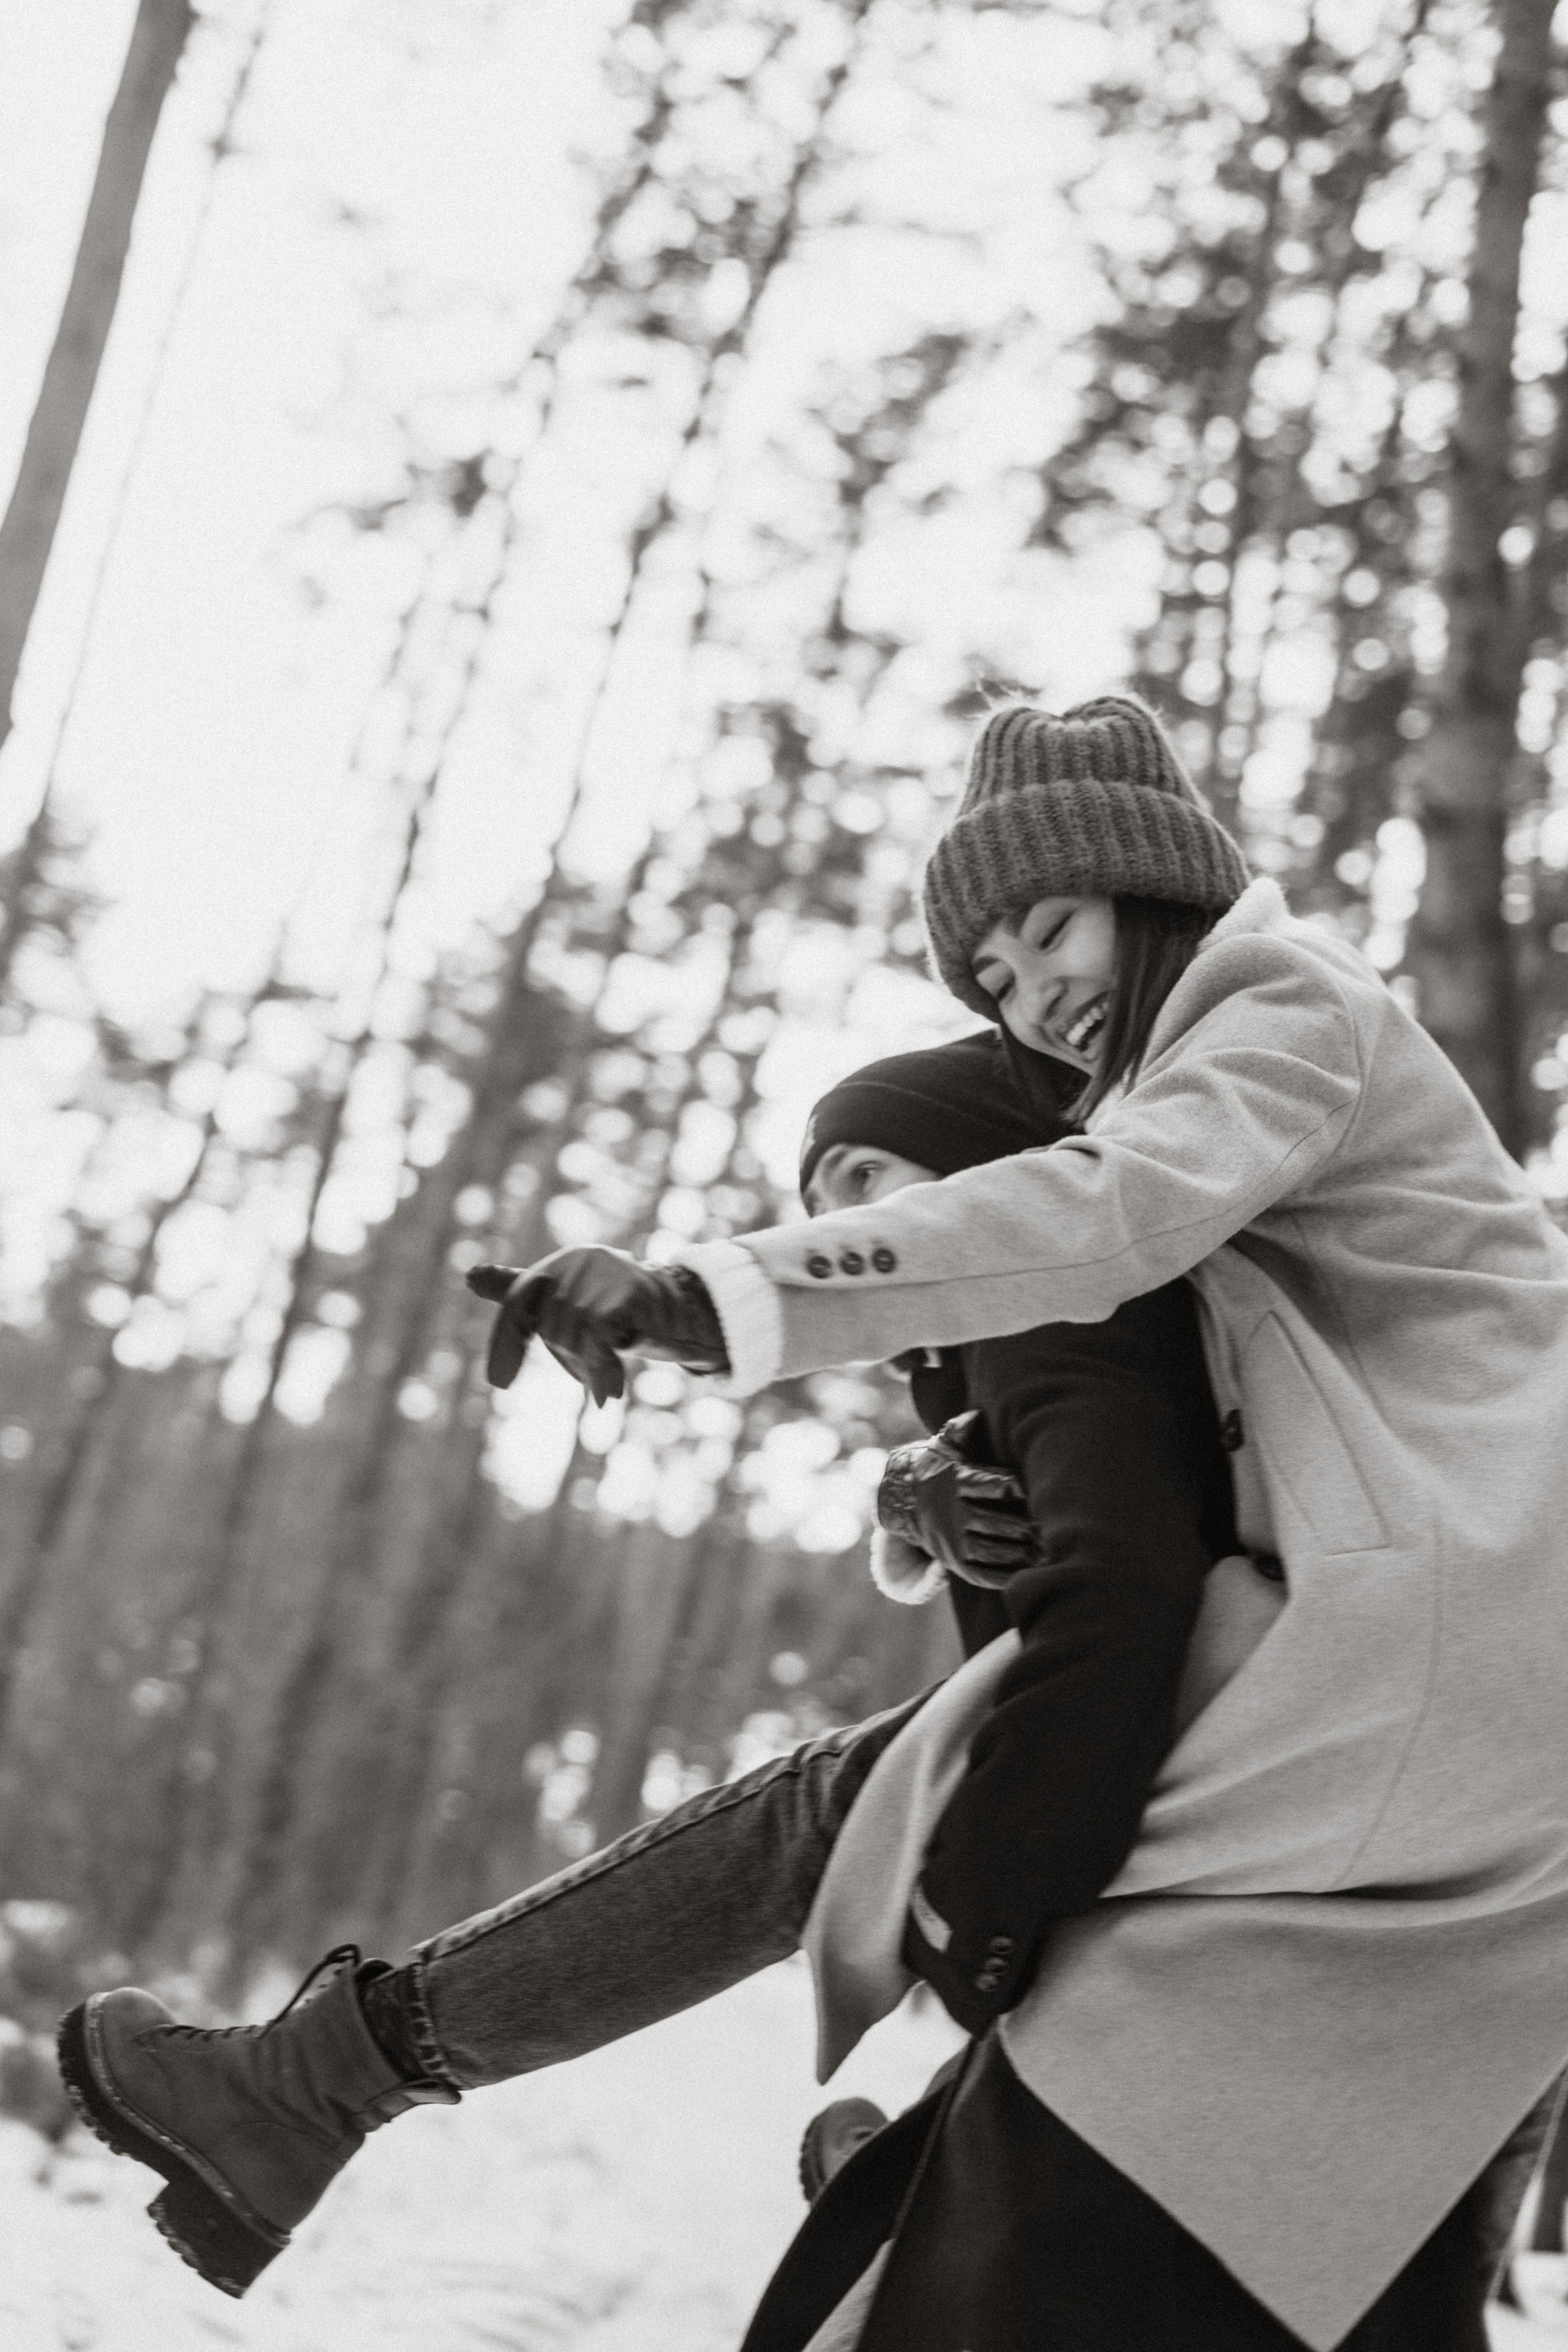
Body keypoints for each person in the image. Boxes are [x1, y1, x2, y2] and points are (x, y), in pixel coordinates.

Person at [442, 693, 1568, 2350]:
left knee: (953, 1835)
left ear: (1158, 885)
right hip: (1462, 1674)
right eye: (996, 982)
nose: (1038, 997)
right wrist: (913, 1491)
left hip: (1451, 1648)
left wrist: (712, 1293)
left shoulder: (1277, 1002)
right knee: (1270, 2155)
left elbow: (1098, 1215)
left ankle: (901, 2158)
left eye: (1054, 931)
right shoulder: (1202, 1073)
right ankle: (941, 2164)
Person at [55, 1028, 1268, 2316]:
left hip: (1237, 1772)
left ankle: (310, 2087)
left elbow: (1123, 1597)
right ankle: (956, 2184)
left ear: (986, 1168)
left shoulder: (1055, 1300)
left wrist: (977, 1912)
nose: (844, 1226)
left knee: (828, 1810)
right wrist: (911, 1491)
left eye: (866, 1179)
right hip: (1237, 1801)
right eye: (820, 1204)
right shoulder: (1016, 1352)